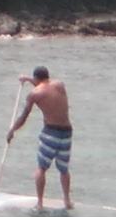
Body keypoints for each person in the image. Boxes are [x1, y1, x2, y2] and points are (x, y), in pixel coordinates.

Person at [7, 64, 74, 209]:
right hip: (67, 131)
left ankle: (40, 202)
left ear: (36, 78)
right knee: (64, 169)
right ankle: (67, 201)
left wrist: (12, 130)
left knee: (41, 168)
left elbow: (24, 117)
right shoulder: (60, 85)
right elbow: (43, 84)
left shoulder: (34, 95)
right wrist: (28, 79)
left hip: (51, 132)